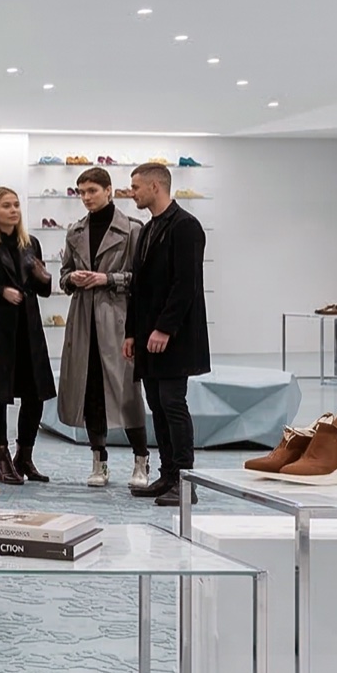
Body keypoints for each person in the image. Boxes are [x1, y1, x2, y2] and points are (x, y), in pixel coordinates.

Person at [56, 167, 149, 487]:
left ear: (109, 190)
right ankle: (99, 461)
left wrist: (107, 278)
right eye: (81, 192)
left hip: (118, 319)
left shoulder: (132, 230)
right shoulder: (75, 231)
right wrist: (73, 278)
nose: (86, 198)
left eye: (92, 191)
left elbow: (142, 279)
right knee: (90, 389)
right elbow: (63, 274)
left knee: (127, 392)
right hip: (83, 320)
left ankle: (141, 461)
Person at [124, 162, 210, 506]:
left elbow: (185, 285)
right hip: (147, 337)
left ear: (155, 187)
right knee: (157, 405)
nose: (132, 193)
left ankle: (186, 481)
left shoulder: (186, 226)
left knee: (173, 403)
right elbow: (138, 287)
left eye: (136, 187)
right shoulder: (148, 229)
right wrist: (132, 332)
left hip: (173, 337)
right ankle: (168, 474)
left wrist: (164, 328)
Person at [0, 186, 56, 484]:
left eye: (16, 205)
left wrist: (43, 275)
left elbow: (44, 289)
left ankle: (25, 456)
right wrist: (0, 291)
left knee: (35, 394)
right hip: (0, 326)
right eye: (6, 205)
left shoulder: (30, 242)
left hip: (28, 327)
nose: (13, 210)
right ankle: (2, 458)